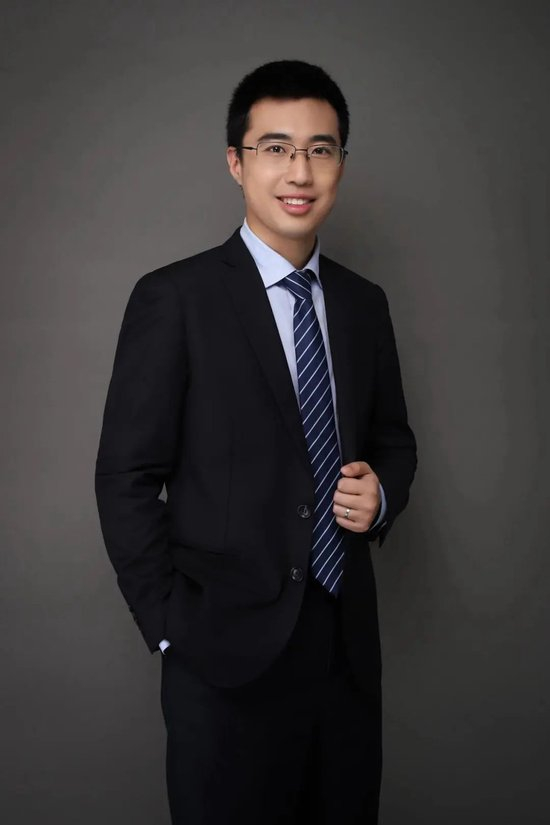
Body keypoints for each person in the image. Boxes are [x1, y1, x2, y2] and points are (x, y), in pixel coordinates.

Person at [95, 59, 417, 825]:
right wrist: (170, 629)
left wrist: (382, 496)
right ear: (236, 162)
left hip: (344, 656)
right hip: (222, 658)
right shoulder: (175, 298)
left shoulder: (363, 304)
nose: (299, 171)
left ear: (340, 163)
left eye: (319, 149)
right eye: (276, 148)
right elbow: (125, 474)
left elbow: (393, 437)